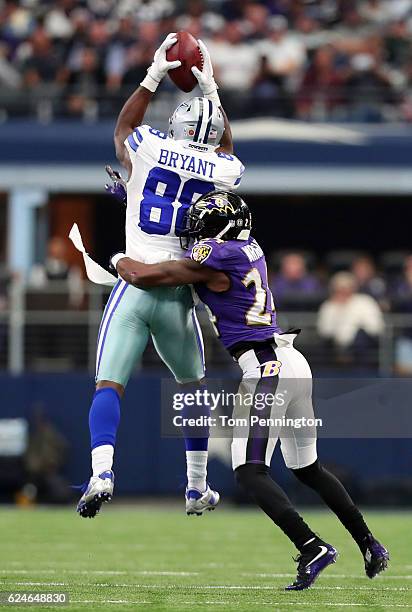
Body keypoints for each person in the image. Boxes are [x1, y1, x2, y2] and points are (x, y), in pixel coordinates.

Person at [112, 190, 389, 591]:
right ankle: (370, 544)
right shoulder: (245, 246)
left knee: (249, 470)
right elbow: (181, 250)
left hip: (266, 368)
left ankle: (311, 547)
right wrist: (134, 204)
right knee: (307, 468)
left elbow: (147, 274)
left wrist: (118, 258)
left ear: (220, 229)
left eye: (204, 226)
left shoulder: (217, 255)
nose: (196, 234)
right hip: (291, 360)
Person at [77, 35, 245, 519]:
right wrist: (211, 90)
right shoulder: (220, 165)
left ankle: (102, 471)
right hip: (175, 291)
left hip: (133, 285)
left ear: (175, 123)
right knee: (192, 386)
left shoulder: (147, 146)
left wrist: (153, 75)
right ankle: (196, 487)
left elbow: (124, 126)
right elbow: (227, 148)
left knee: (109, 386)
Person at [318, 271, 384, 363]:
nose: (343, 292)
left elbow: (376, 327)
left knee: (361, 337)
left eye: (346, 288)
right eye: (339, 289)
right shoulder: (328, 306)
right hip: (335, 350)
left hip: (362, 347)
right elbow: (324, 331)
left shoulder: (365, 301)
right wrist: (338, 310)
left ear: (353, 288)